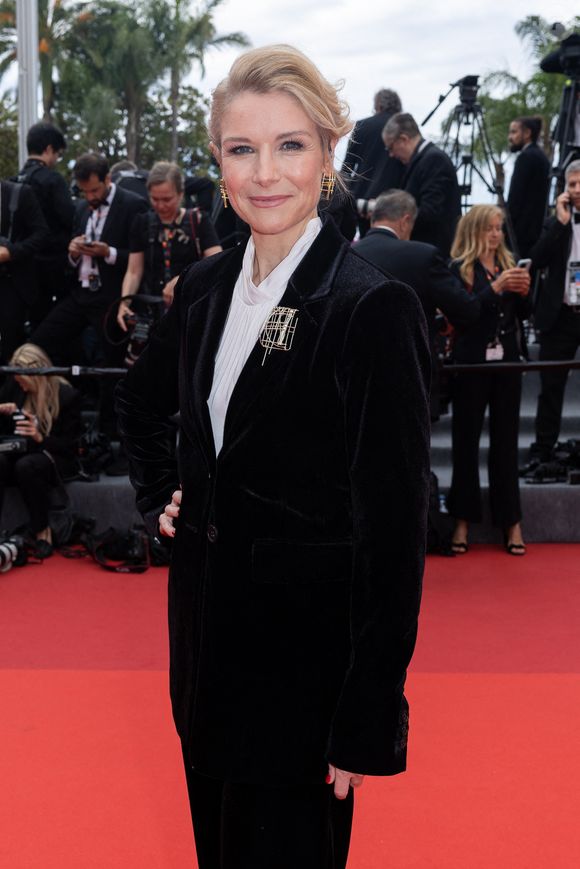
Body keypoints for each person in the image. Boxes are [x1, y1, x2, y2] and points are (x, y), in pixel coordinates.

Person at [116, 44, 430, 869]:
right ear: (216, 160)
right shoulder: (209, 289)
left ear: (328, 154)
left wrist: (366, 715)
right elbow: (139, 403)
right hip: (205, 671)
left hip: (304, 693)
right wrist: (163, 496)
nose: (265, 173)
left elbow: (395, 532)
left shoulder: (370, 307)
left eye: (290, 145)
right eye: (241, 148)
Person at [32, 153, 148, 437]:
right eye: (84, 192)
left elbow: (140, 260)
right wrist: (72, 253)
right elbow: (69, 261)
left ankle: (109, 431)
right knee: (39, 344)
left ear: (108, 179)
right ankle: (55, 416)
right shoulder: (81, 208)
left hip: (111, 296)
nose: (90, 196)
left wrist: (107, 252)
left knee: (111, 365)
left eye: (94, 190)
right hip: (79, 294)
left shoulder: (134, 205)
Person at [446, 205, 530, 555]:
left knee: (505, 443)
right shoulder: (457, 269)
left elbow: (526, 316)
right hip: (470, 364)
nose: (496, 234)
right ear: (474, 231)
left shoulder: (510, 265)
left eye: (499, 228)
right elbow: (464, 313)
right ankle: (461, 521)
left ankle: (511, 523)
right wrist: (495, 286)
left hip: (507, 363)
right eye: (489, 228)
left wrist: (525, 292)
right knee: (465, 442)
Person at [354, 189, 482, 419]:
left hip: (355, 378)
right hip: (411, 377)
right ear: (405, 221)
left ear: (374, 217)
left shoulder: (347, 253)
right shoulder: (423, 256)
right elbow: (467, 310)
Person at [117, 161, 221, 330]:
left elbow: (216, 261)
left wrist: (184, 279)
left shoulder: (199, 221)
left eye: (167, 199)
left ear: (181, 194)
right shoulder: (142, 222)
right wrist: (124, 303)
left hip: (189, 313)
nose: (161, 206)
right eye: (155, 199)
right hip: (150, 313)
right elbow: (134, 271)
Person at [0, 343, 81, 558]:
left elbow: (70, 447)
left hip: (52, 456)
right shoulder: (14, 387)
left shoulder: (66, 395)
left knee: (27, 466)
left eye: (24, 382)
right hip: (20, 452)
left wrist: (39, 437)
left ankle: (42, 530)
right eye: (18, 381)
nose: (22, 387)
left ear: (36, 376)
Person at [527, 160, 580, 465]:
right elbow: (536, 259)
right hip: (559, 314)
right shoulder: (555, 222)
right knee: (550, 386)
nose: (575, 190)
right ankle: (544, 447)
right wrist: (560, 225)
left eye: (579, 184)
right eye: (570, 185)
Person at [16, 121, 75, 324]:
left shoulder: (14, 181)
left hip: (20, 265)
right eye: (57, 154)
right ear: (49, 149)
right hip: (52, 267)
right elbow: (70, 217)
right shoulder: (52, 180)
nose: (56, 159)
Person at [382, 112, 461, 257]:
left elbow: (431, 212)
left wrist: (392, 217)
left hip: (434, 251)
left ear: (403, 139)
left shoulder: (434, 160)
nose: (391, 155)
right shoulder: (423, 160)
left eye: (390, 148)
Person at [341, 88, 404, 236]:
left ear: (378, 105)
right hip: (394, 200)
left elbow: (347, 167)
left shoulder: (362, 126)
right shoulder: (403, 128)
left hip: (361, 200)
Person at [0, 176, 48, 364]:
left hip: (12, 286)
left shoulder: (19, 194)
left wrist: (10, 252)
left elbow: (42, 234)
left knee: (10, 349)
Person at [507, 116, 551, 259]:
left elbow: (515, 199)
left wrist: (507, 228)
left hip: (522, 235)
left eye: (514, 132)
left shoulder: (526, 157)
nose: (510, 137)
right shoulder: (541, 156)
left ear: (527, 134)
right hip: (537, 232)